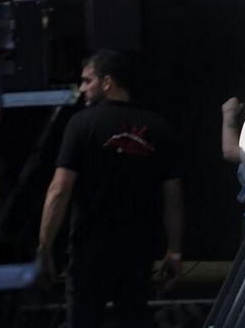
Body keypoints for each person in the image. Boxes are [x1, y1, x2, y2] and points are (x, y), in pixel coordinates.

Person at [37, 51, 181, 328]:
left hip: (88, 253)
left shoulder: (80, 124)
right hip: (137, 254)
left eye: (86, 81)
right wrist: (174, 251)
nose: (81, 89)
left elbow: (59, 189)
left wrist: (44, 247)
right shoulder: (158, 128)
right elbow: (173, 198)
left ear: (107, 82)